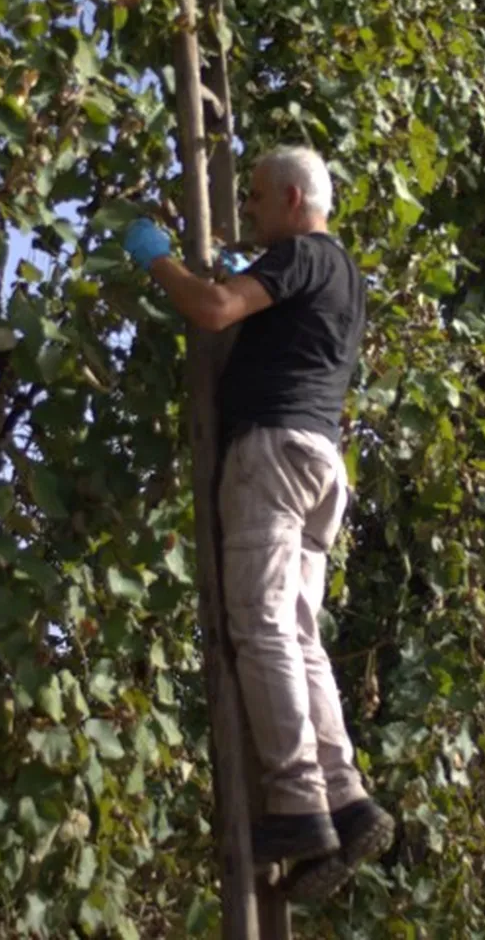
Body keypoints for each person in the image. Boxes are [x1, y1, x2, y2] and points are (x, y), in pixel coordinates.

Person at [122, 146, 394, 900]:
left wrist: (157, 261)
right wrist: (234, 259)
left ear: (293, 198)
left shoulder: (301, 253)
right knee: (300, 637)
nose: (248, 214)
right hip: (318, 461)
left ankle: (298, 806)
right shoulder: (338, 270)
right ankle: (346, 797)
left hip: (270, 455)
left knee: (264, 627)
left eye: (255, 200)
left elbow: (212, 310)